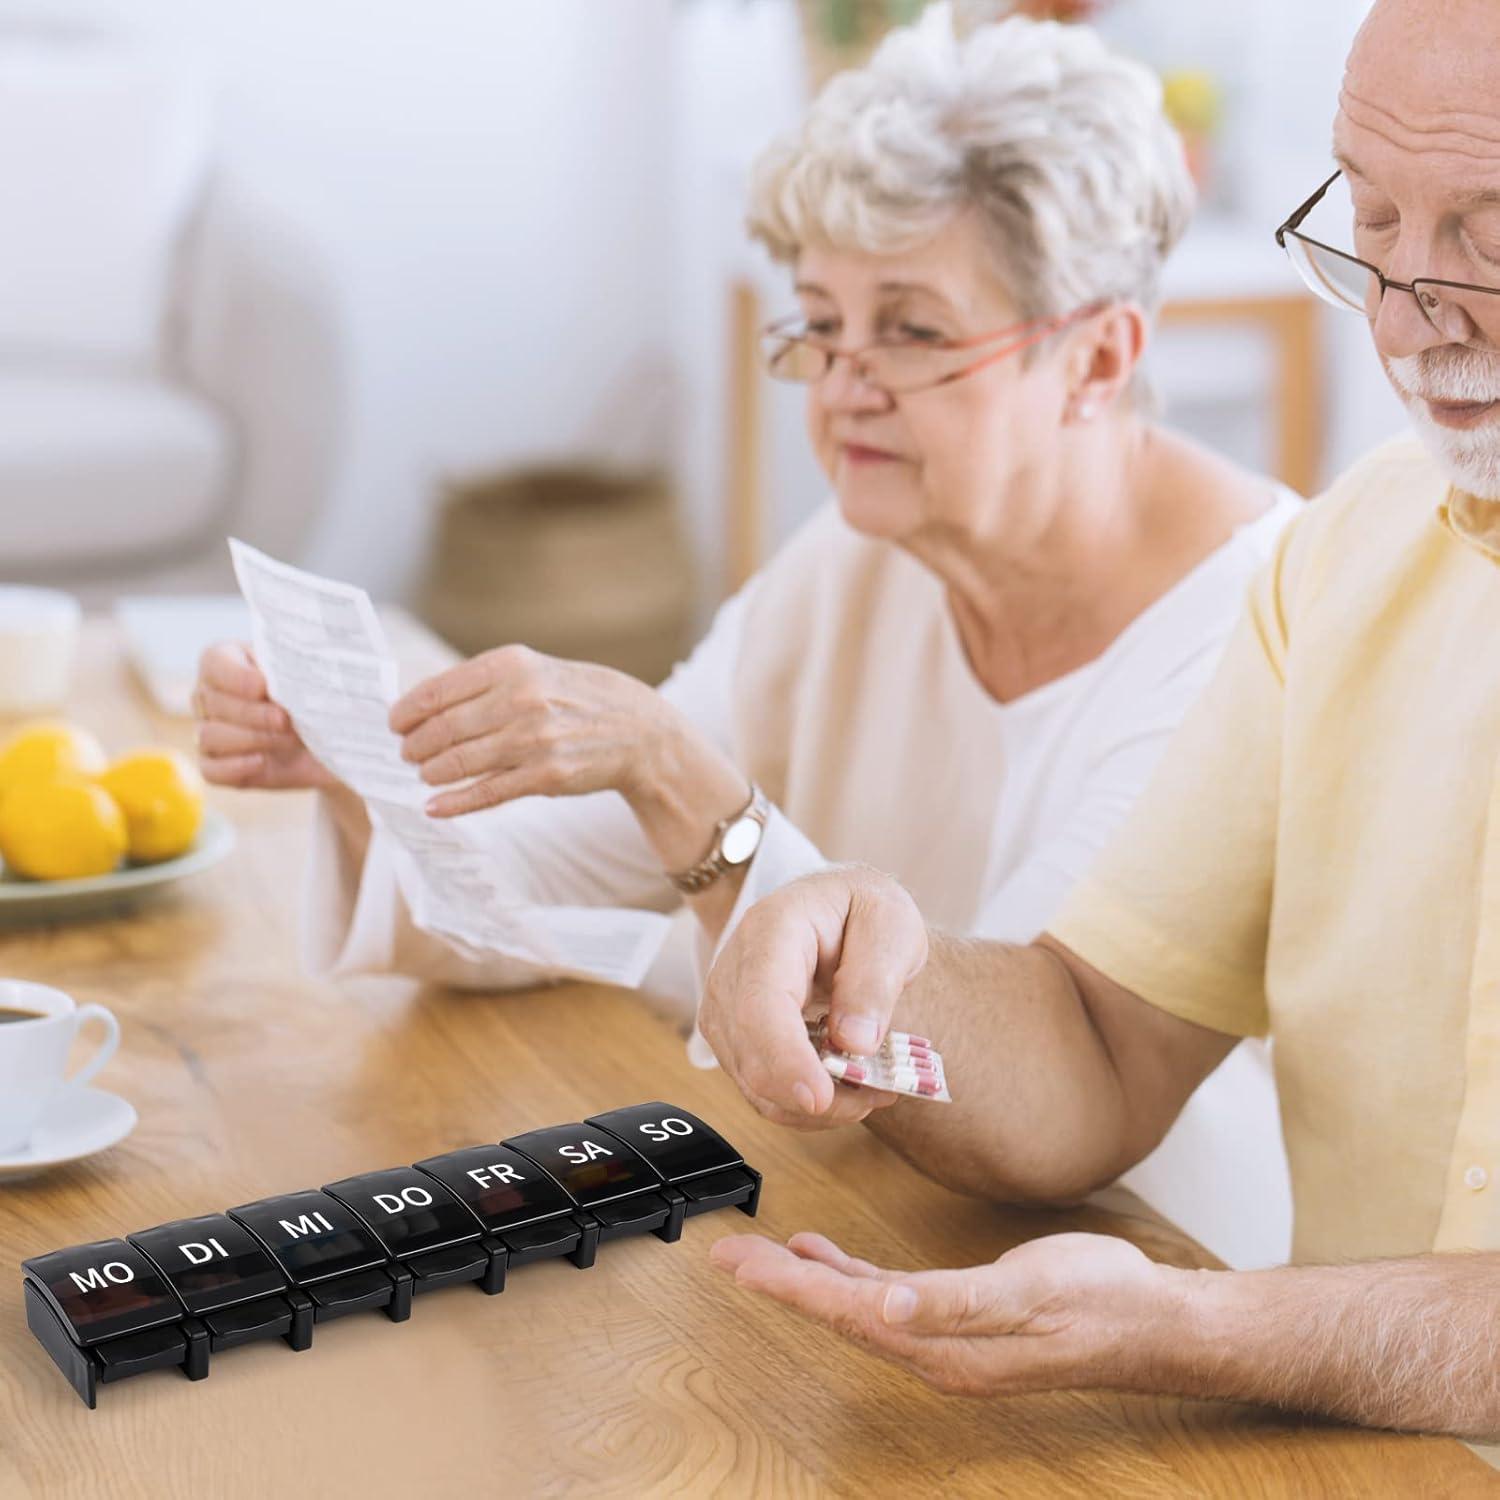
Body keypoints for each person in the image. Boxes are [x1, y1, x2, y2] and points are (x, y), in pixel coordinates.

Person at [193, 10, 1295, 1262]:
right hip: (870, 1221)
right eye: (821, 322)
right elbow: (547, 896)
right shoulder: (864, 552)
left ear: (1097, 356)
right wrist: (364, 764)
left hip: (1143, 1268)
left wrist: (680, 778)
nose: (840, 384)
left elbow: (1043, 1110)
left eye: (913, 328)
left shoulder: (1250, 620)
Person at [700, 0, 1500, 1445]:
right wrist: (871, 953)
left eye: (1489, 237)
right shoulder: (1345, 562)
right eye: (1374, 219)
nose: (1398, 314)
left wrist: (1207, 1326)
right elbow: (1100, 1042)